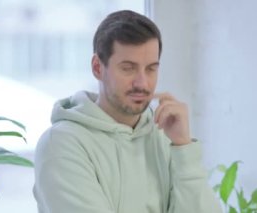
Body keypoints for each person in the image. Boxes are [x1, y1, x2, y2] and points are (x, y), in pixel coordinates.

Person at [33, 10, 222, 213]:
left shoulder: (164, 136)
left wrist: (183, 148)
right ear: (97, 67)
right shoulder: (61, 144)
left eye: (151, 69)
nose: (142, 82)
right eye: (128, 68)